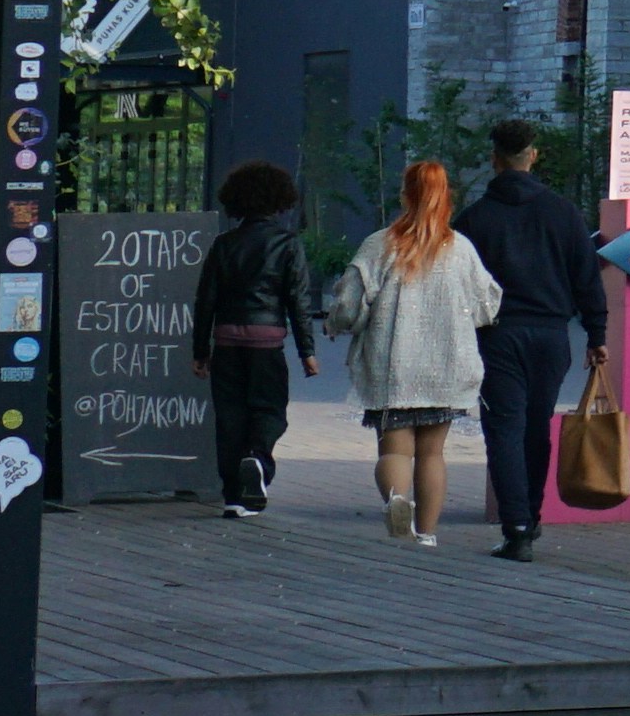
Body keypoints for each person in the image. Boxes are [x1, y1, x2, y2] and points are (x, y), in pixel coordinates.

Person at [451, 119, 607, 561]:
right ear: (532, 155)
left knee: (504, 429)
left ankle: (516, 527)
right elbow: (586, 278)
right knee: (537, 429)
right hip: (552, 336)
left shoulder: (474, 220)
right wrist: (597, 334)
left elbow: (457, 282)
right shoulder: (564, 212)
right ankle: (532, 518)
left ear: (494, 159)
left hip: (497, 337)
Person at [321, 160, 493, 544]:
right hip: (448, 366)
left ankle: (398, 501)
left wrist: (336, 323)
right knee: (433, 454)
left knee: (395, 452)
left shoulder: (379, 244)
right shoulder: (461, 249)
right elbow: (487, 303)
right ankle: (428, 534)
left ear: (405, 196)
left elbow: (350, 302)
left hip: (393, 367)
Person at [185, 162, 319, 515]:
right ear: (280, 200)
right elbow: (298, 300)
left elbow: (206, 301)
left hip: (227, 340)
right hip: (267, 341)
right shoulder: (287, 244)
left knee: (229, 416)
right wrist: (308, 350)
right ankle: (257, 458)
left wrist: (200, 350)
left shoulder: (223, 244)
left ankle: (234, 497)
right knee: (269, 409)